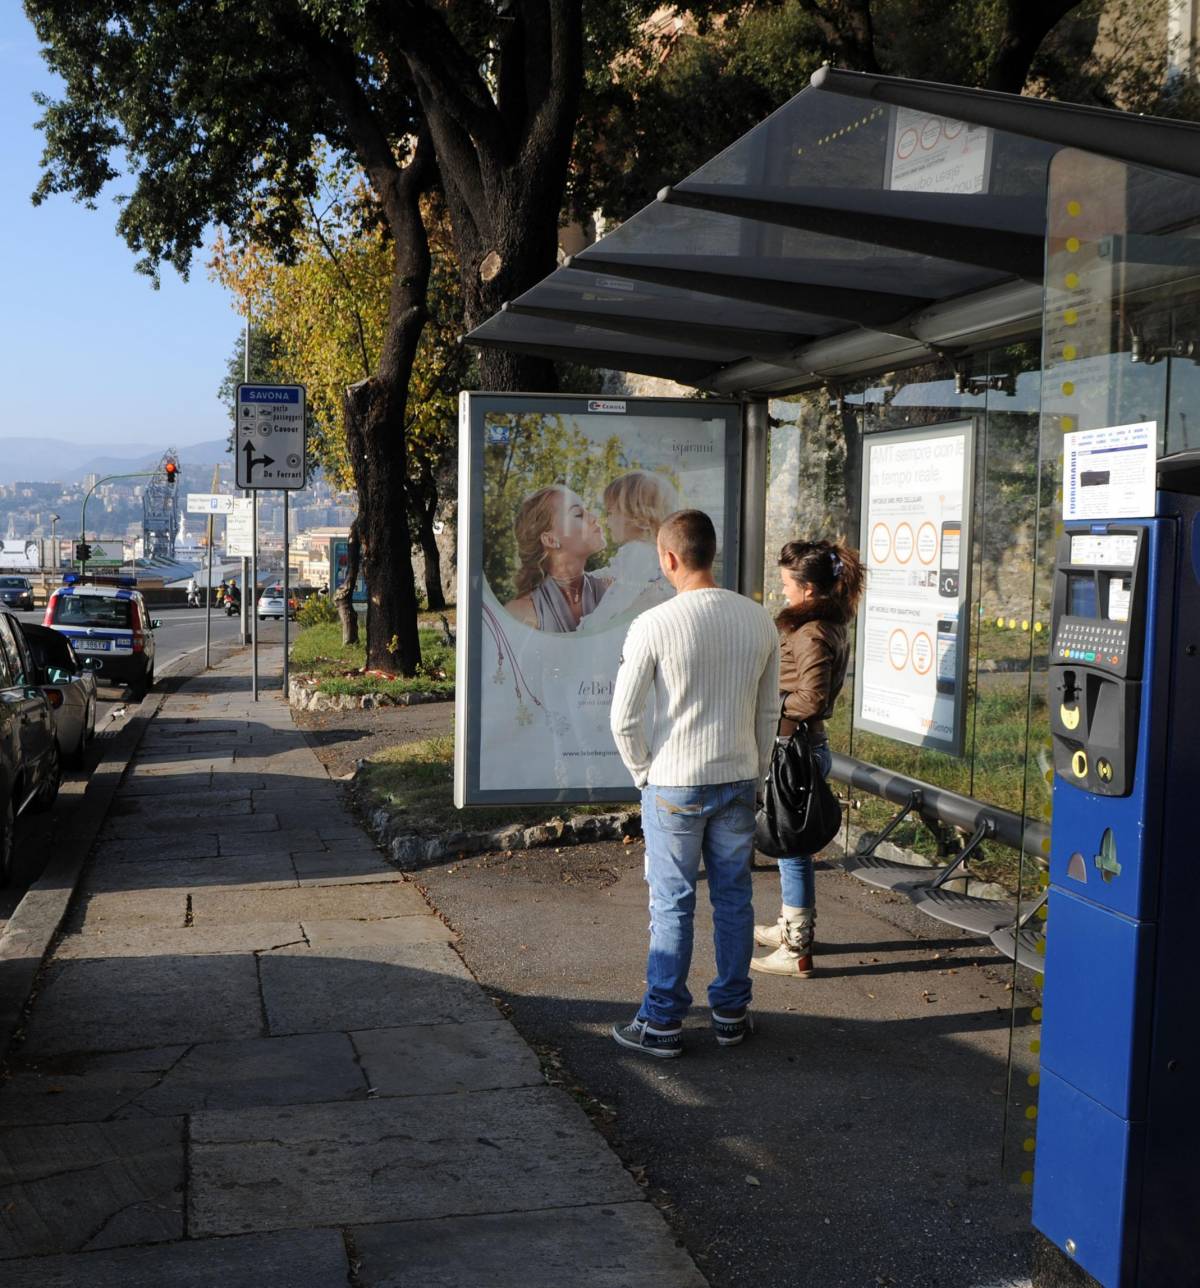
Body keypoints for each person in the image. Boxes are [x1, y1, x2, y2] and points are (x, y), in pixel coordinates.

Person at [609, 509, 779, 1057]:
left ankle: (661, 1023)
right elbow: (767, 711)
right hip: (737, 777)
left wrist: (643, 773)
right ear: (713, 553)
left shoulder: (653, 625)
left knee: (674, 902)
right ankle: (731, 1013)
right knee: (734, 899)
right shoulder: (758, 620)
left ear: (669, 558)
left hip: (674, 784)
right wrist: (756, 769)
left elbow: (624, 720)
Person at [751, 539, 865, 978]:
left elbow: (812, 698)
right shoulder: (822, 622)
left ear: (810, 590)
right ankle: (790, 926)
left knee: (791, 846)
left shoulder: (813, 631)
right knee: (789, 845)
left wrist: (769, 704)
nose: (784, 593)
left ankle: (797, 947)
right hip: (800, 747)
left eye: (787, 585)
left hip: (797, 749)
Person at [577, 471, 677, 633]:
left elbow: (618, 598)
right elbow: (615, 572)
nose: (606, 521)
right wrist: (587, 578)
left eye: (610, 513)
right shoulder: (651, 553)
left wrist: (589, 627)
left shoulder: (638, 551)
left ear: (638, 518)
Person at [504, 485, 608, 632]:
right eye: (578, 514)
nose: (593, 517)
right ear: (550, 540)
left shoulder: (612, 589)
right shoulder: (520, 614)